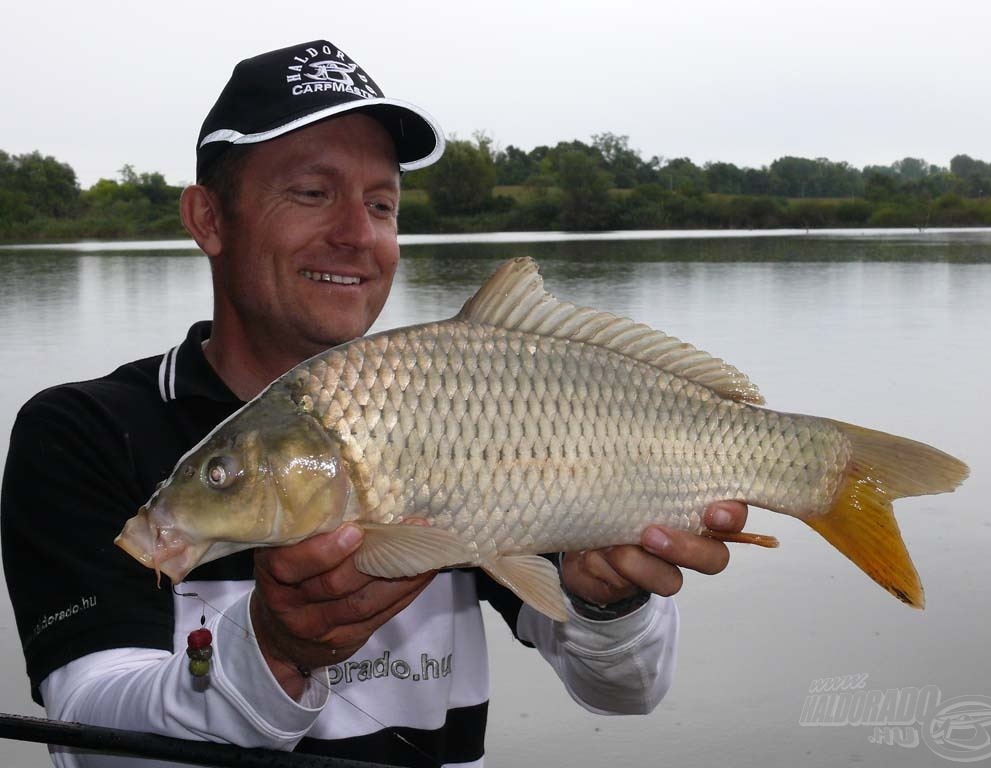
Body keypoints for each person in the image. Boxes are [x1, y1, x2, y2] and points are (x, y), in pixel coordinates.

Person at [1, 40, 750, 768]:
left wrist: (608, 604)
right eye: (312, 193)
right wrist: (272, 653)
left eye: (382, 203)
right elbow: (92, 736)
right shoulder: (86, 433)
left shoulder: (464, 405)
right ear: (209, 219)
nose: (357, 235)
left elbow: (627, 692)